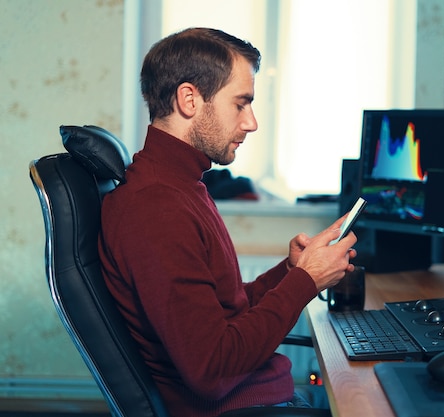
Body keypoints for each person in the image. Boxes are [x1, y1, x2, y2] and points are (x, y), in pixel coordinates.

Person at [98, 27, 357, 416]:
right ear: (189, 99)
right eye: (241, 104)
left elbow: (225, 312)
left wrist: (291, 272)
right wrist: (306, 283)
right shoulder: (156, 208)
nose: (251, 123)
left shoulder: (180, 185)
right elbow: (212, 368)